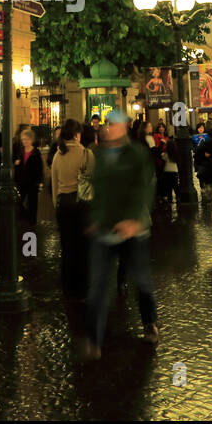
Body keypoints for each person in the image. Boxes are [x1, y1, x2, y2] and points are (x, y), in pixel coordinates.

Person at [80, 110, 158, 359]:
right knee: (98, 287)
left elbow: (143, 188)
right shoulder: (99, 154)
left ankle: (150, 323)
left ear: (124, 127)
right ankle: (94, 339)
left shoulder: (135, 153)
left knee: (142, 281)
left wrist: (134, 220)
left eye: (113, 125)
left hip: (133, 231)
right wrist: (95, 219)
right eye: (107, 124)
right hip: (105, 230)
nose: (108, 128)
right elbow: (99, 189)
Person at [50, 120, 92, 299]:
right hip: (81, 205)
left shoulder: (58, 155)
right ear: (76, 135)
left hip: (63, 205)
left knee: (67, 247)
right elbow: (92, 183)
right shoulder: (85, 154)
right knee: (83, 247)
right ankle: (83, 285)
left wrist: (57, 204)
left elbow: (54, 185)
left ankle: (67, 284)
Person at [14, 127, 44, 222]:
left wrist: (39, 181)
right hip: (21, 181)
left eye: (26, 139)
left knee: (32, 202)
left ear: (31, 140)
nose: (24, 141)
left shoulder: (35, 153)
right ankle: (23, 216)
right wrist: (16, 164)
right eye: (22, 139)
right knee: (18, 201)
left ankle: (32, 220)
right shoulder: (20, 151)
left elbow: (39, 168)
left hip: (32, 181)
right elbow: (16, 164)